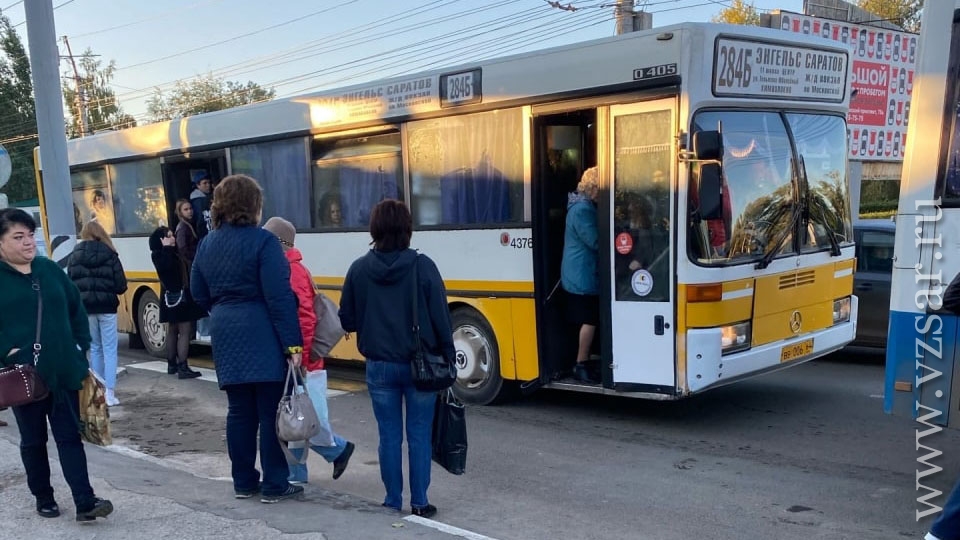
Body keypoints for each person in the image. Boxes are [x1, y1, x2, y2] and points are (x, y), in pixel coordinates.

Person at [190, 174, 305, 504]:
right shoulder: (264, 242)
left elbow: (198, 291)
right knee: (270, 412)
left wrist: (223, 310)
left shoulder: (207, 243)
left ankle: (243, 481)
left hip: (225, 332)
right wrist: (293, 345)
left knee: (239, 411)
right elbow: (279, 296)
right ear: (253, 205)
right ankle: (274, 485)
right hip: (263, 331)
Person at [339, 199, 454, 518]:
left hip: (379, 366)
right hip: (422, 365)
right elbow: (441, 317)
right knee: (419, 435)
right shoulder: (423, 266)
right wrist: (449, 356)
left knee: (388, 435)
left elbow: (346, 319)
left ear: (374, 229)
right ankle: (420, 502)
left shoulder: (359, 268)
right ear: (408, 229)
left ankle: (392, 499)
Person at [0, 208, 114, 521]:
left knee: (69, 436)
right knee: (34, 440)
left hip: (64, 371)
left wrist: (81, 347)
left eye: (30, 235)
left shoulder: (49, 270)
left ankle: (84, 501)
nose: (27, 243)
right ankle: (43, 496)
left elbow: (76, 308)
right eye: (18, 237)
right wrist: (7, 353)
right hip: (25, 377)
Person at [262, 217, 356, 485]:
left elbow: (304, 318)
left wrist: (299, 355)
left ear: (277, 243)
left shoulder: (290, 271)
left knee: (297, 416)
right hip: (302, 356)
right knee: (296, 414)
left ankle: (331, 453)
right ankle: (303, 470)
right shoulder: (292, 268)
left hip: (301, 358)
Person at [67, 221, 128, 407]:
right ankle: (110, 393)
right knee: (110, 349)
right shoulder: (110, 253)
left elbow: (70, 283)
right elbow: (121, 285)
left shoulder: (75, 255)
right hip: (107, 306)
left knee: (94, 348)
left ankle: (97, 392)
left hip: (86, 308)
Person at [560, 167, 600, 384]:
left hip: (581, 271)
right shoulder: (583, 210)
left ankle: (585, 359)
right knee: (590, 318)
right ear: (593, 187)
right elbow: (594, 240)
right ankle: (581, 362)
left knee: (589, 317)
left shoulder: (581, 206)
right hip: (581, 273)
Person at [148, 227, 204, 379]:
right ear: (161, 240)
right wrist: (167, 248)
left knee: (173, 329)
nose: (173, 238)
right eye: (169, 236)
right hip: (177, 297)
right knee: (184, 331)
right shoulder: (161, 254)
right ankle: (182, 366)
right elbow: (165, 267)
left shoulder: (167, 253)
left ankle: (172, 364)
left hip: (171, 297)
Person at [190, 172, 213, 240]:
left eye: (209, 183)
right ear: (198, 185)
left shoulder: (206, 198)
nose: (208, 185)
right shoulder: (198, 201)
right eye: (205, 183)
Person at [174, 199, 199, 263]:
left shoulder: (192, 223)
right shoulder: (182, 228)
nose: (189, 211)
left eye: (190, 208)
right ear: (180, 212)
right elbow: (182, 249)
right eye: (186, 209)